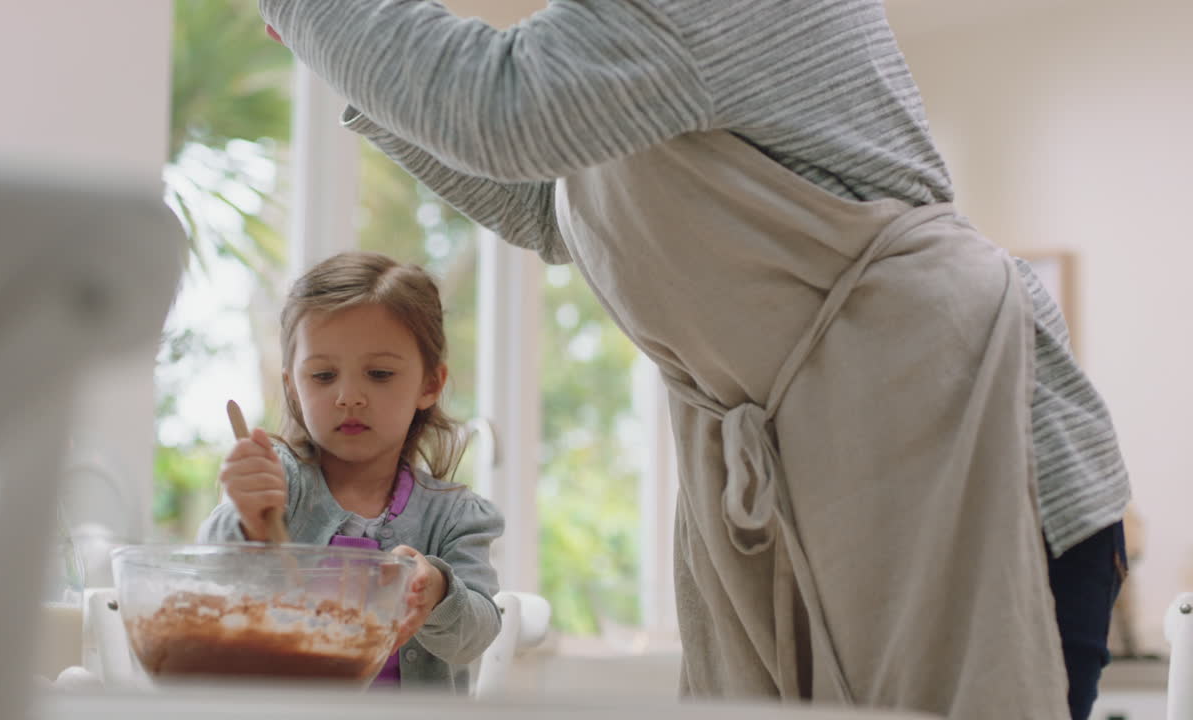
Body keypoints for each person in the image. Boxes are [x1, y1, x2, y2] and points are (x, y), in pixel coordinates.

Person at [256, 1, 1130, 717]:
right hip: (828, 473)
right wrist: (360, 83)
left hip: (955, 445)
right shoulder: (627, 40)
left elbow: (502, 111)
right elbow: (548, 211)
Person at [198, 251, 503, 693]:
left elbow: (476, 634)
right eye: (323, 376)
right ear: (293, 388)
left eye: (379, 374)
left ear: (429, 385)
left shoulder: (457, 517)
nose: (349, 396)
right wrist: (246, 522)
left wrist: (437, 592)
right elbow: (215, 582)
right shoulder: (279, 484)